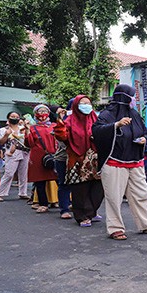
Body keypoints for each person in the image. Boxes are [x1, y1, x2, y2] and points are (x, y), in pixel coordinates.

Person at [92, 84, 147, 240]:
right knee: (114, 197)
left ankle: (146, 224)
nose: (133, 99)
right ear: (123, 97)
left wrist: (144, 139)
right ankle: (115, 228)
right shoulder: (106, 114)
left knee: (141, 194)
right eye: (131, 96)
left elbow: (144, 131)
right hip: (114, 162)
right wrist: (116, 125)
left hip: (135, 160)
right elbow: (96, 132)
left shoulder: (134, 114)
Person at [54, 95, 105, 227]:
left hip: (96, 159)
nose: (86, 106)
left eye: (88, 103)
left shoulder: (96, 119)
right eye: (83, 103)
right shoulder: (69, 121)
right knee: (80, 190)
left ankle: (91, 212)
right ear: (76, 105)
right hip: (77, 159)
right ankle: (82, 216)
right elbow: (62, 136)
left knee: (98, 188)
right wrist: (60, 122)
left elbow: (103, 133)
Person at [25, 104, 58, 213]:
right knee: (40, 182)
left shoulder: (54, 126)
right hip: (37, 157)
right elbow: (29, 144)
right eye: (40, 111)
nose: (43, 113)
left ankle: (65, 203)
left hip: (54, 155)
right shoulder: (32, 128)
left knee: (59, 180)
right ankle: (43, 204)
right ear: (35, 114)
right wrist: (27, 131)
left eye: (45, 111)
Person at [0, 112, 30, 201]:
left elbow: (29, 139)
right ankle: (0, 193)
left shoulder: (22, 128)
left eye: (16, 117)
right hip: (11, 152)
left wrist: (27, 128)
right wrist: (6, 134)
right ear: (8, 118)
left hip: (25, 151)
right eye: (12, 116)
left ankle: (23, 193)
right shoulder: (3, 130)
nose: (15, 118)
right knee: (9, 173)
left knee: (24, 174)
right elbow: (0, 142)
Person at [53, 104, 73, 219]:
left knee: (80, 185)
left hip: (79, 158)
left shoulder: (85, 122)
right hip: (63, 158)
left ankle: (80, 207)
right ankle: (64, 209)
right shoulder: (61, 124)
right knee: (64, 183)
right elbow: (62, 140)